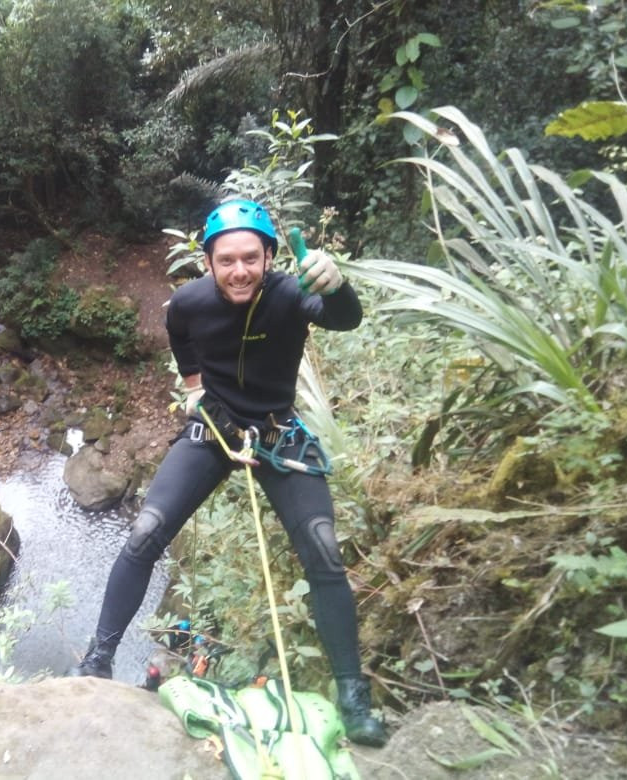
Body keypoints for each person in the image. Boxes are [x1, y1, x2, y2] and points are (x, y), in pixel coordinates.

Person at [69, 198, 387, 747]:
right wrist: (195, 391)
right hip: (214, 429)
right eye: (225, 261)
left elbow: (344, 319)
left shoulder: (291, 295)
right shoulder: (187, 302)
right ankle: (99, 659)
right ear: (208, 263)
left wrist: (335, 285)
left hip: (275, 430)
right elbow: (181, 341)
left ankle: (353, 696)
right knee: (145, 532)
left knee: (323, 548)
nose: (238, 271)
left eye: (250, 258)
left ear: (268, 256)